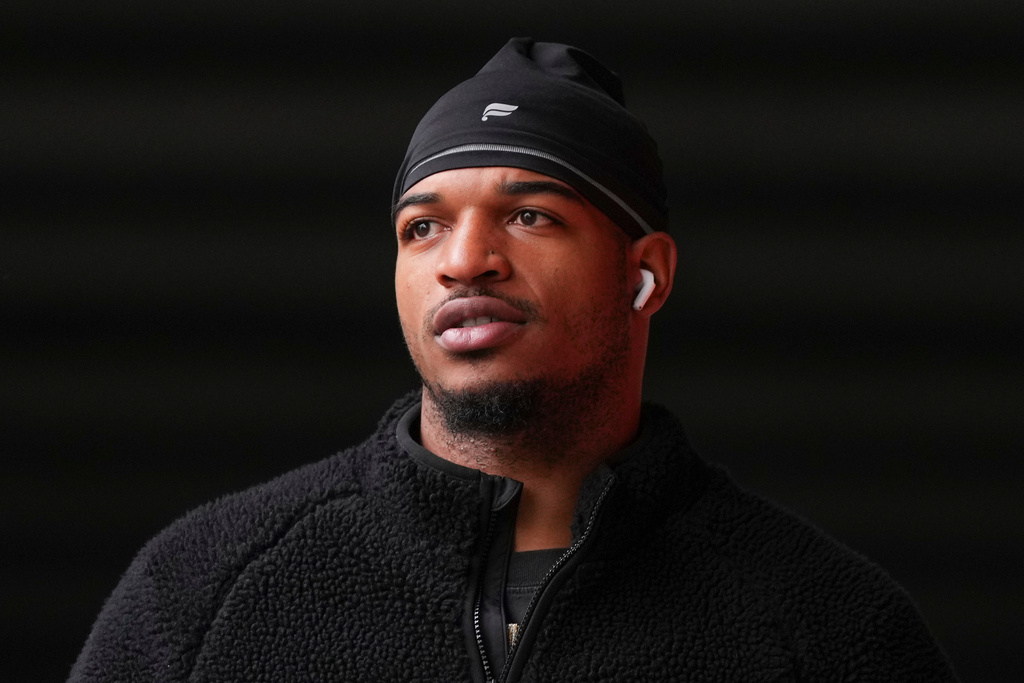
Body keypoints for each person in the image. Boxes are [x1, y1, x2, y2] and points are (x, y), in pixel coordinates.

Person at [69, 37, 958, 682]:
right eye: (424, 226)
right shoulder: (201, 592)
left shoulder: (828, 626)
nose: (464, 259)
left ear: (645, 273)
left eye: (530, 215)